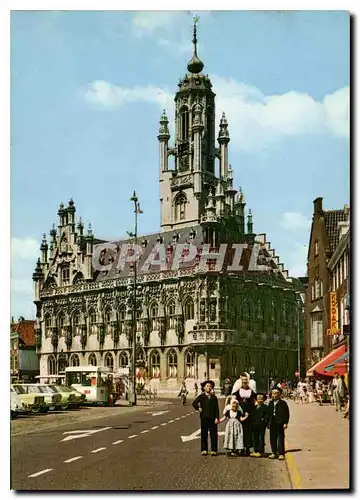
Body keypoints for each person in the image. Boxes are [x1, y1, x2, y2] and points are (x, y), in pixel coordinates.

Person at [192, 380, 220, 456]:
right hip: (204, 418)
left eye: (210, 386)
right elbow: (194, 403)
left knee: (213, 435)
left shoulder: (214, 397)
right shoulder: (201, 396)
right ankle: (204, 449)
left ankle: (214, 450)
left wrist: (217, 418)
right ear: (204, 388)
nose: (209, 387)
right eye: (207, 386)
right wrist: (198, 408)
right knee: (204, 434)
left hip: (212, 418)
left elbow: (216, 408)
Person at [233, 374, 257, 456]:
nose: (244, 383)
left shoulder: (251, 391)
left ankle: (248, 448)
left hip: (249, 413)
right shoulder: (237, 392)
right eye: (243, 381)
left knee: (248, 432)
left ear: (248, 382)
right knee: (240, 432)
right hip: (240, 413)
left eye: (245, 381)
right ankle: (240, 448)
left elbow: (256, 399)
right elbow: (233, 400)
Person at [267, 387, 290, 461]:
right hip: (272, 422)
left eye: (276, 393)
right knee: (272, 437)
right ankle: (274, 452)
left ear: (279, 394)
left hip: (280, 422)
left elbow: (286, 414)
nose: (274, 395)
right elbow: (268, 413)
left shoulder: (283, 403)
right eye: (273, 393)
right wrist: (267, 423)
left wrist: (285, 423)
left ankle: (281, 453)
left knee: (280, 437)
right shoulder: (270, 403)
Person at [251, 393, 269, 458]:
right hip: (254, 425)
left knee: (261, 437)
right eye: (258, 398)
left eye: (261, 398)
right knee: (255, 437)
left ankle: (261, 451)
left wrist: (264, 420)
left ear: (263, 399)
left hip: (261, 425)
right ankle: (255, 450)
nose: (260, 400)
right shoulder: (254, 407)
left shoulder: (266, 407)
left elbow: (267, 416)